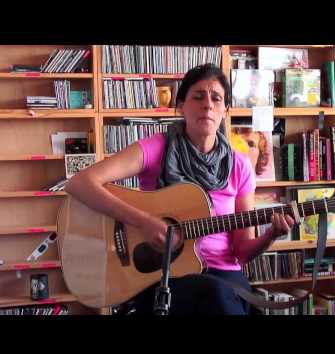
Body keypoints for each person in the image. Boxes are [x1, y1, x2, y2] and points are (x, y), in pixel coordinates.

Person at [65, 63, 296, 315]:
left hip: (223, 273)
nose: (207, 104)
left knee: (225, 297)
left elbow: (241, 251)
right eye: (198, 96)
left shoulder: (240, 165)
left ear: (224, 110)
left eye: (216, 98)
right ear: (181, 105)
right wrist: (144, 222)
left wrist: (270, 235)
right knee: (217, 297)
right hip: (162, 272)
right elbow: (80, 183)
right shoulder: (157, 148)